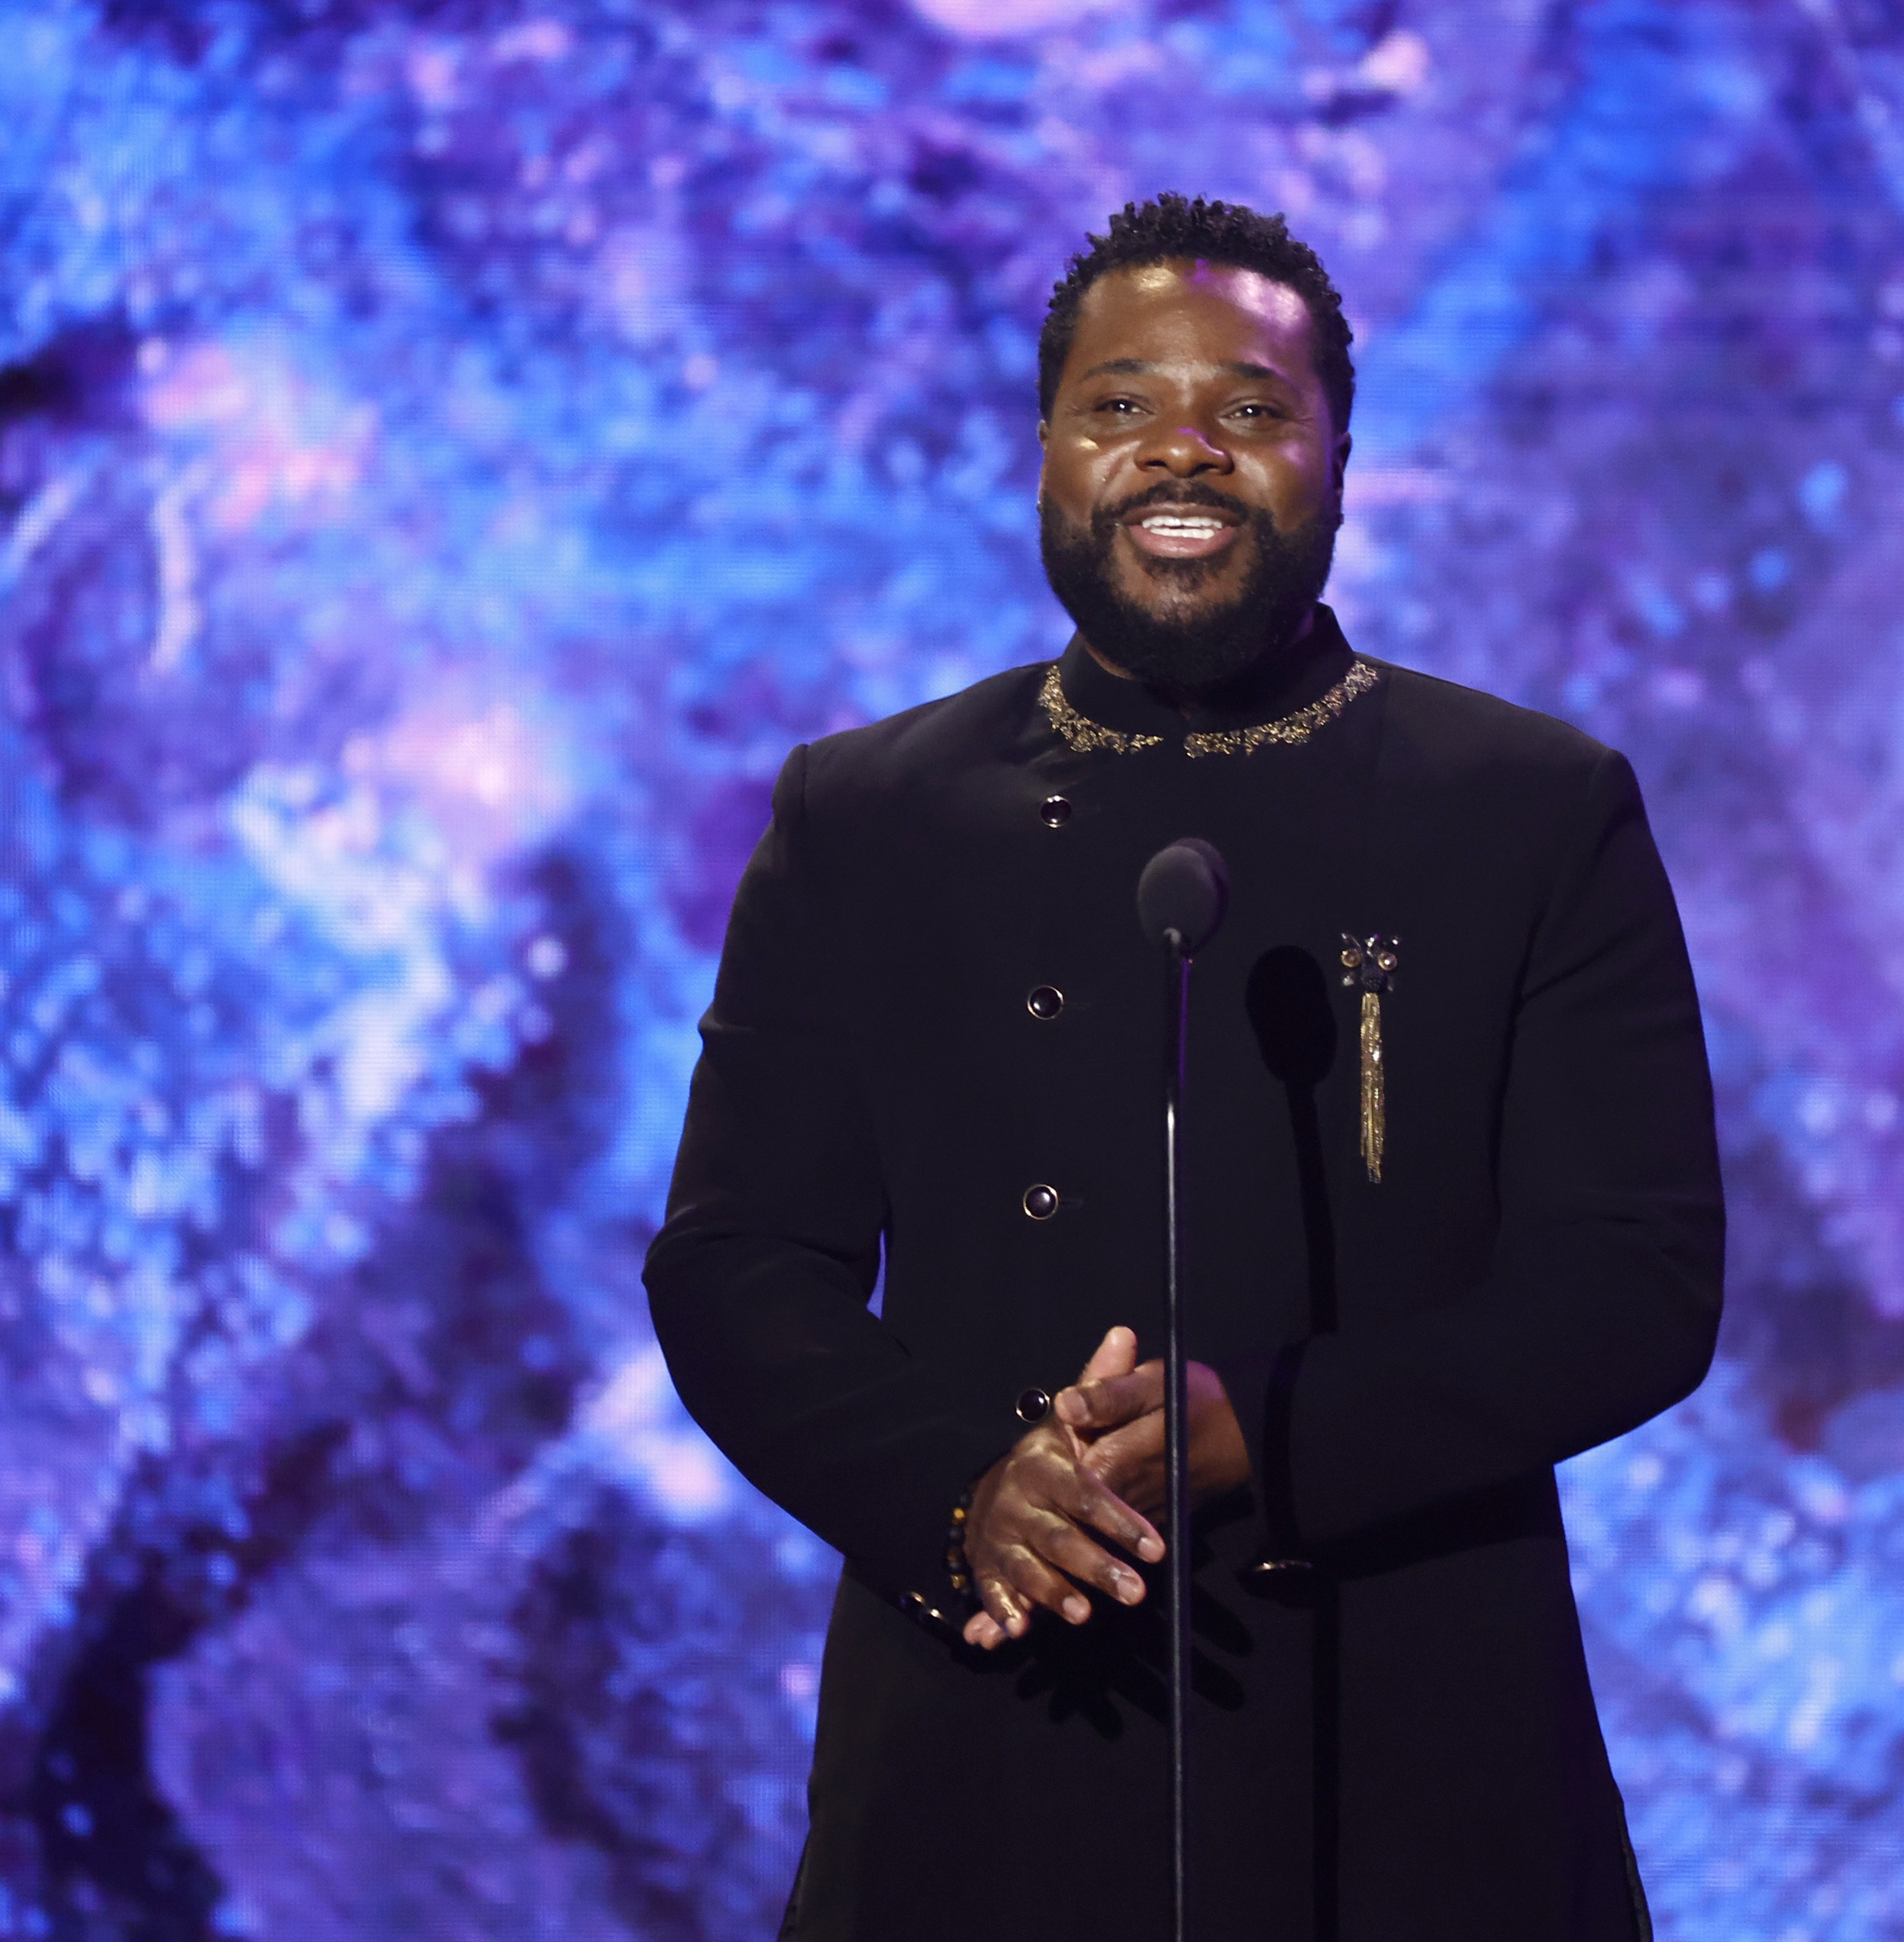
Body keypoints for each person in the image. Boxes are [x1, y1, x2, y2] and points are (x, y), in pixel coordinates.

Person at [645, 193, 1723, 1942]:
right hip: (992, 1724)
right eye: (1121, 404)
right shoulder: (867, 818)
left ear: (1339, 462)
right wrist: (963, 1493)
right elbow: (736, 1260)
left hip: (1410, 1744)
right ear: (1049, 456)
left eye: (1250, 407)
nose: (1184, 451)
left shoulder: (1526, 808)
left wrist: (1267, 1437)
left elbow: (1636, 1283)